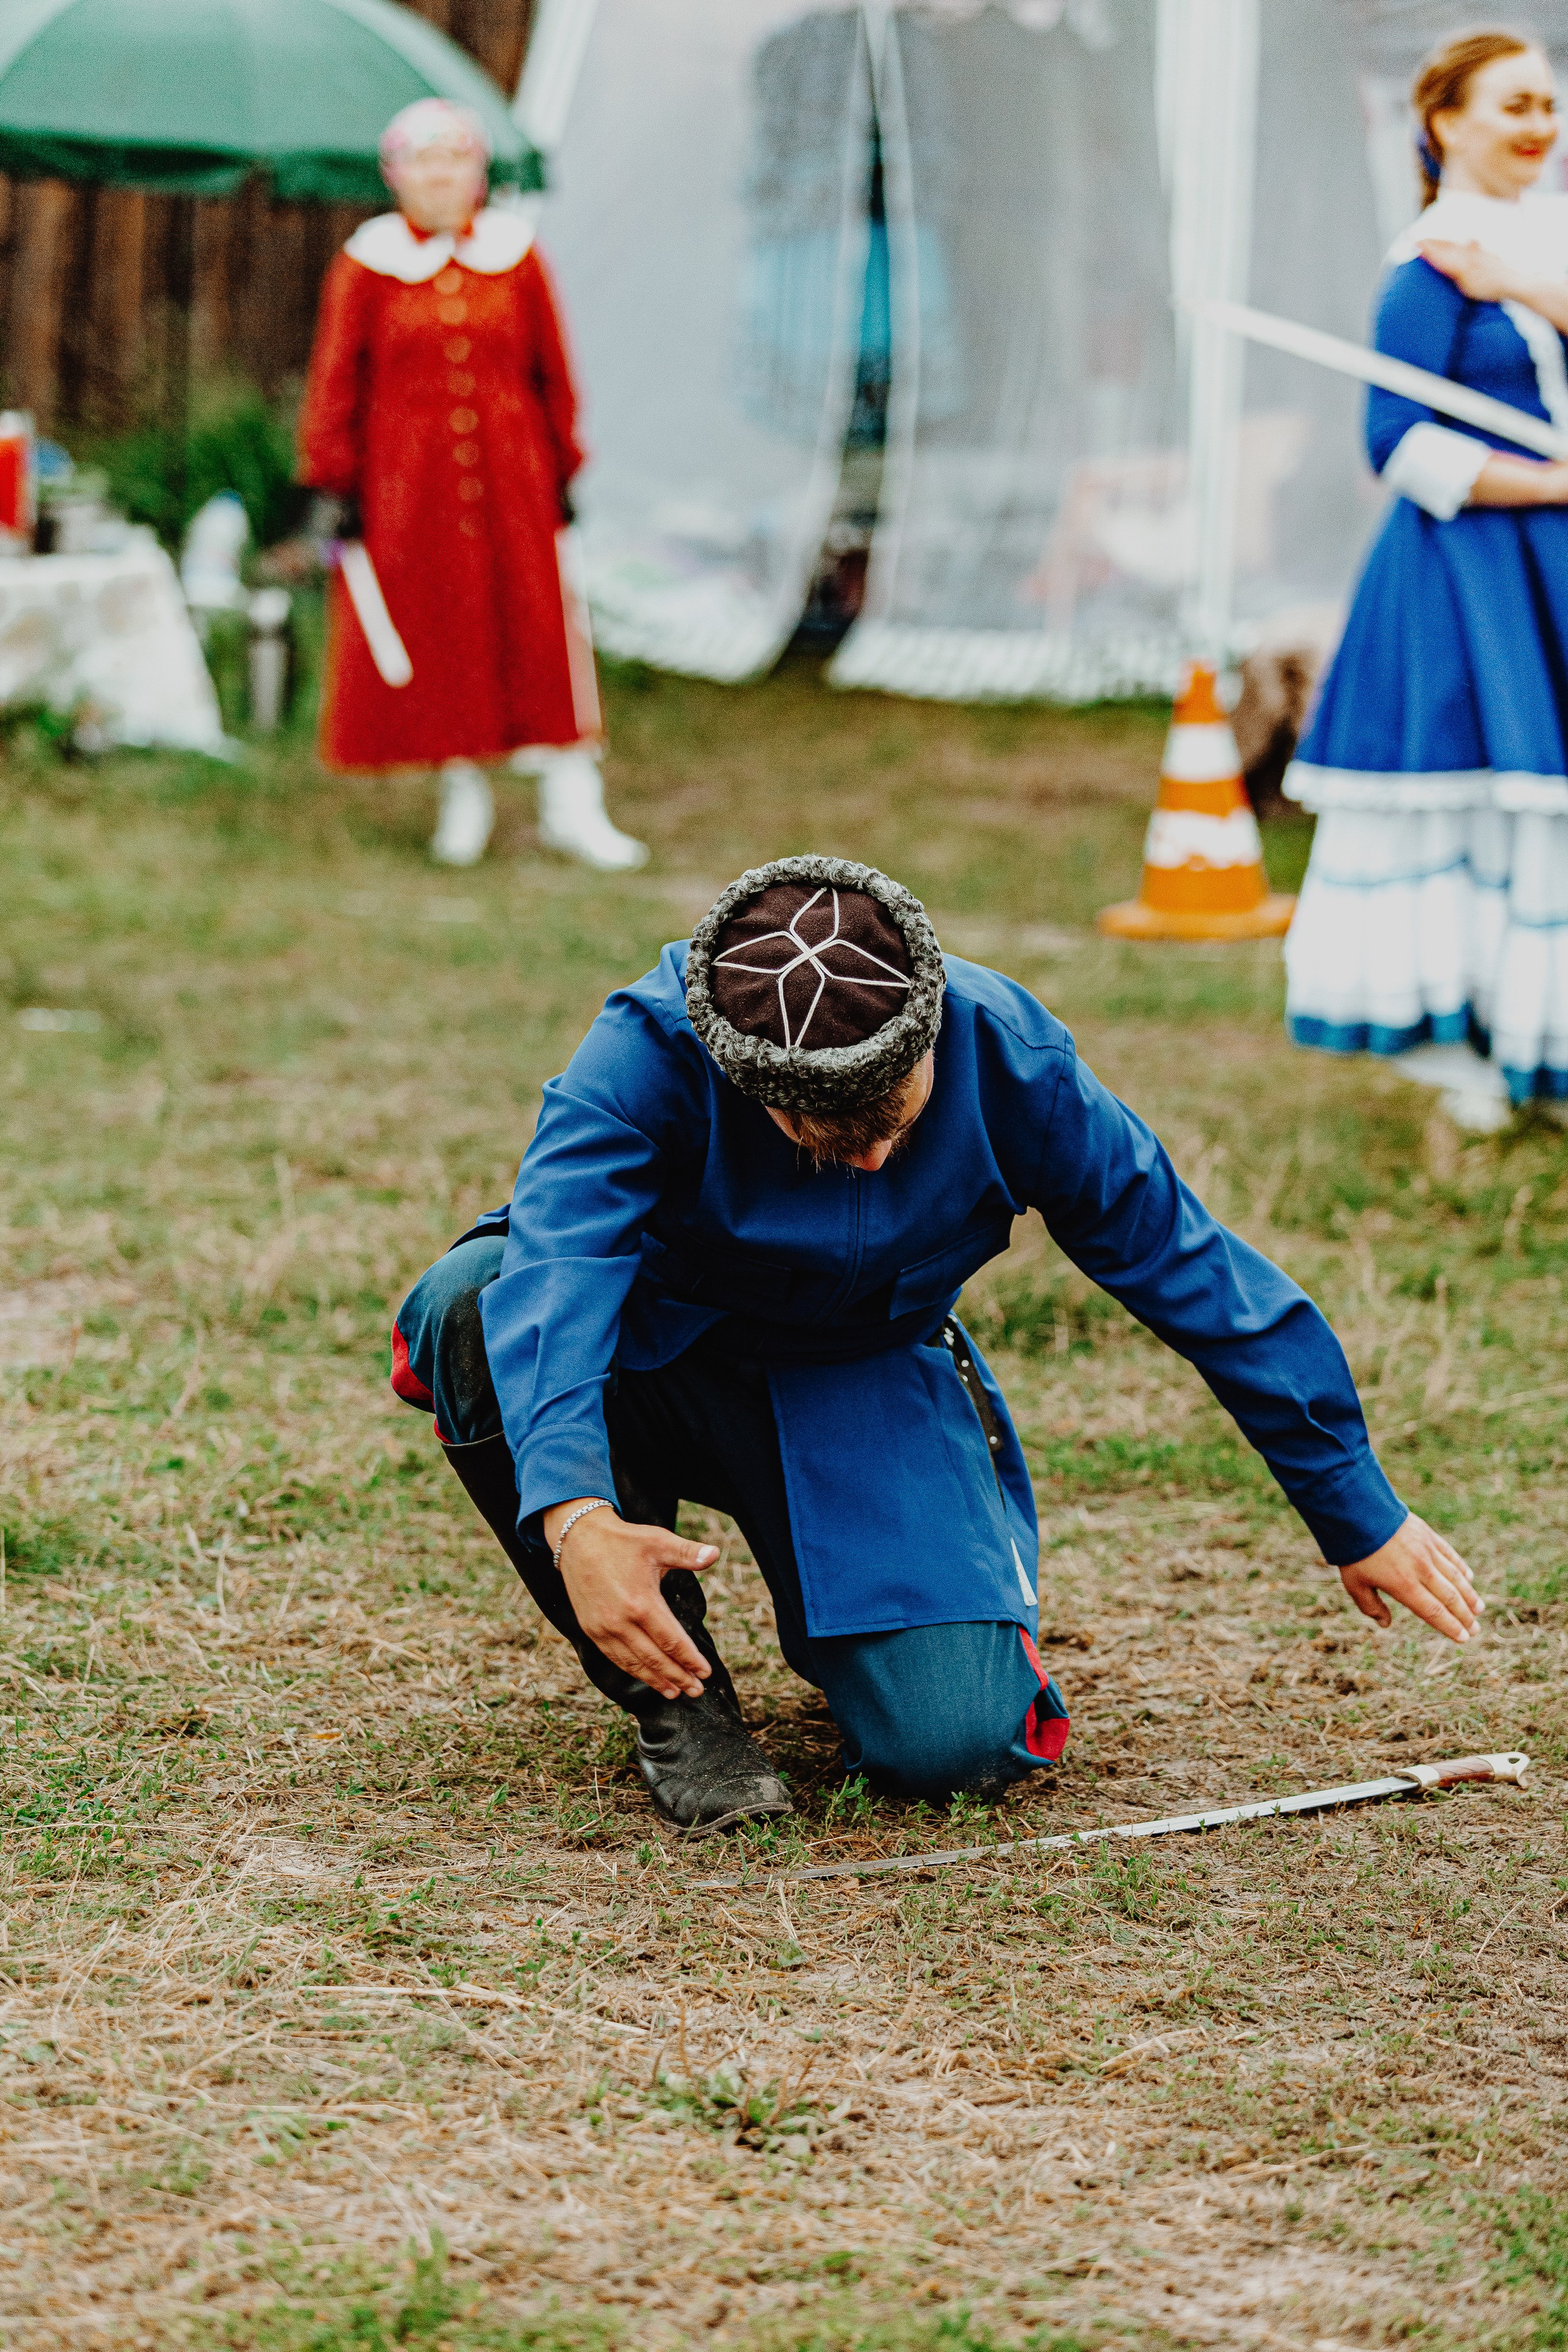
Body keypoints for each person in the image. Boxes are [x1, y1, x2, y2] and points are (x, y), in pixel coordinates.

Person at [391, 857, 1482, 1837]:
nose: (869, 1162)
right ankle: (677, 1702)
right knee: (471, 1300)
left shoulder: (1015, 1057)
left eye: (895, 1121)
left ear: (929, 1026)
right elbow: (557, 1277)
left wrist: (1353, 1502)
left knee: (954, 1747)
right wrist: (576, 1515)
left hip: (860, 1376)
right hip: (659, 1360)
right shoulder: (640, 1053)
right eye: (824, 1138)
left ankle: (896, 1612)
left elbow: (1193, 1270)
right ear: (746, 1081)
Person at [1284, 29, 1568, 1121]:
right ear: (1446, 121)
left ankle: (1541, 1042)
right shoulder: (1429, 267)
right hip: (1470, 577)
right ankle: (1464, 1053)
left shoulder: (1529, 249)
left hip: (1548, 570)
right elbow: (1396, 442)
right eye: (1516, 106)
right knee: (1484, 800)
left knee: (1543, 808)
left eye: (1549, 103)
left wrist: (1528, 288)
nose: (1541, 124)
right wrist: (1547, 485)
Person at [296, 98, 646, 874]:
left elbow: (551, 369)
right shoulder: (368, 265)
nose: (441, 176)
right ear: (396, 175)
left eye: (455, 159)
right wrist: (333, 477)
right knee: (443, 630)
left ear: (478, 172)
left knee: (539, 624)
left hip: (512, 477)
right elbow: (336, 378)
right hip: (410, 486)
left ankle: (571, 800)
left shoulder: (517, 259)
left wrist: (562, 463)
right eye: (424, 162)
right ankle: (464, 793)